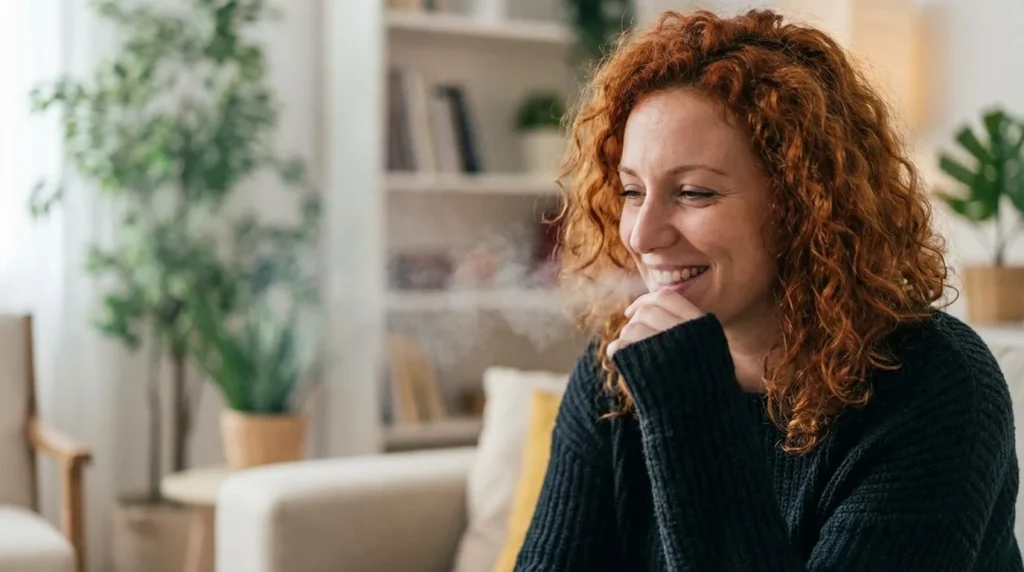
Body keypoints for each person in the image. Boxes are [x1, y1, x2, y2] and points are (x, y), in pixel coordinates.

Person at [515, 8, 1022, 572]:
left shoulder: (933, 385)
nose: (642, 234)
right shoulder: (617, 373)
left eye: (694, 193)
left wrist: (691, 408)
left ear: (803, 208)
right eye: (632, 191)